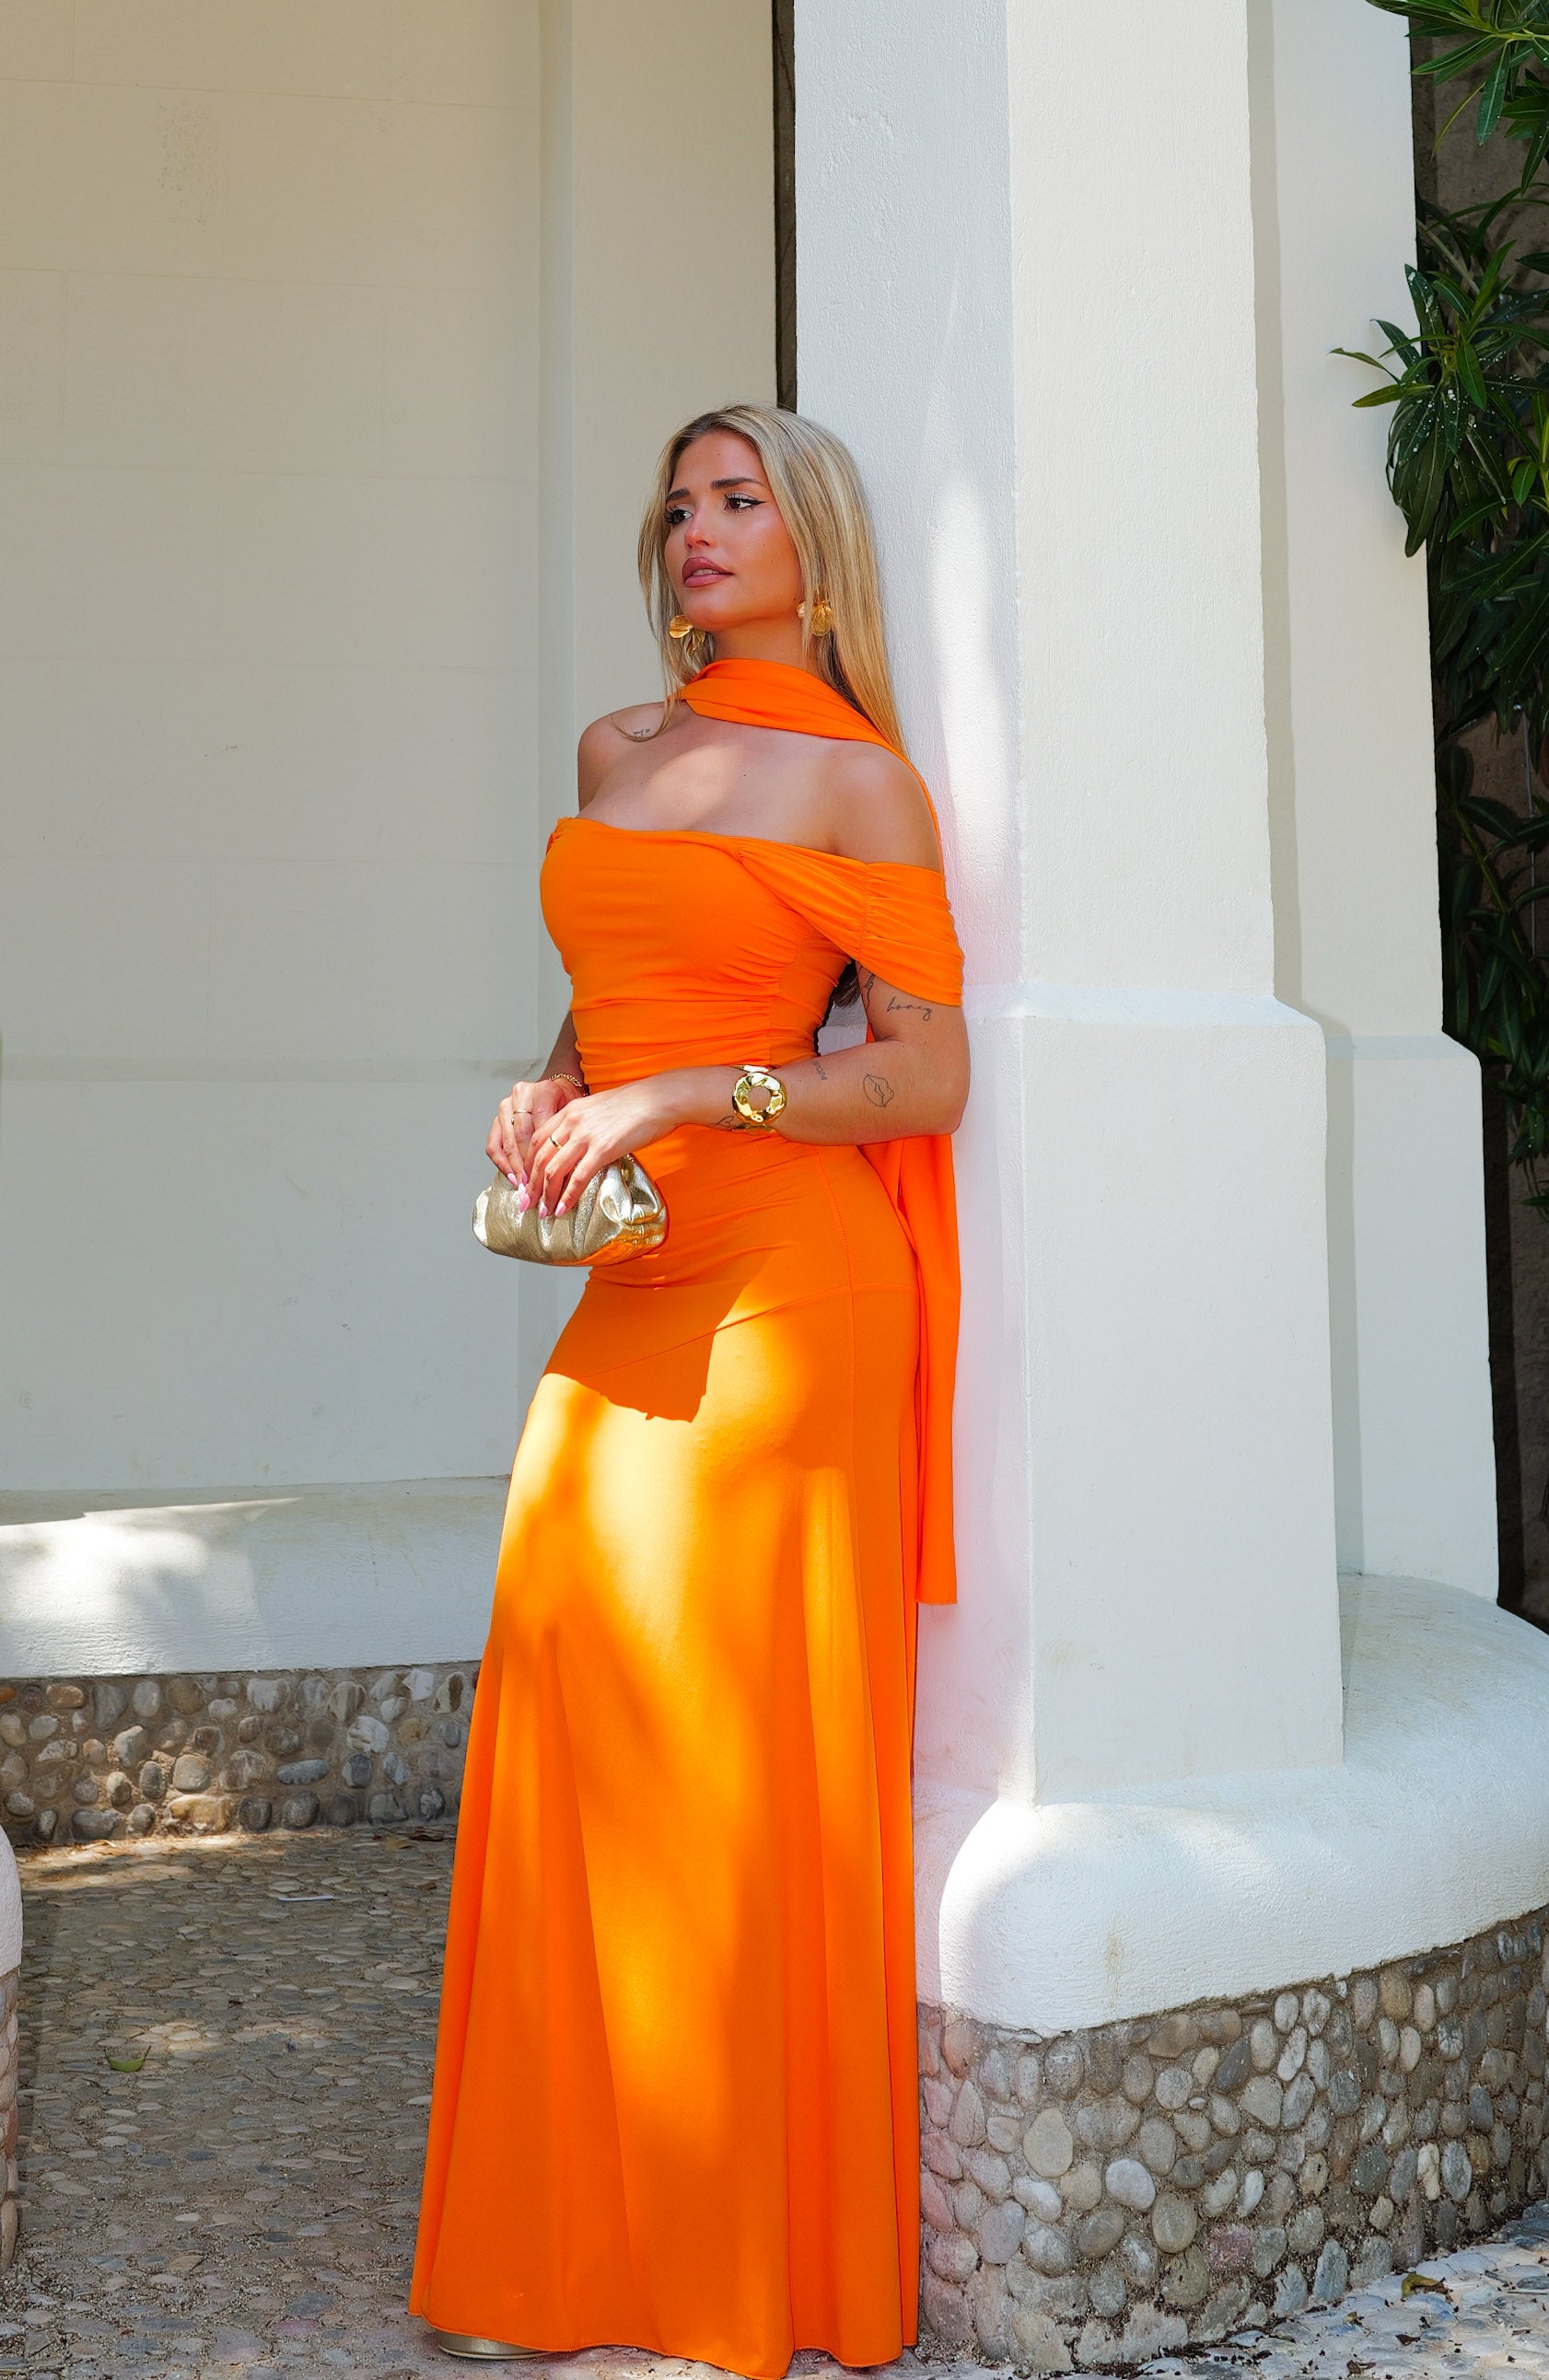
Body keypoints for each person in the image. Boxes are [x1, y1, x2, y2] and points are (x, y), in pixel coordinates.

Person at [409, 404, 968, 2378]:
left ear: (813, 537)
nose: (700, 527)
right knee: (568, 1678)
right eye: (681, 503)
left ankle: (736, 2270)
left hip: (794, 1290)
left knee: (736, 1753)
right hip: (637, 1273)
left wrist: (682, 1090)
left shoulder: (858, 784)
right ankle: (581, 2239)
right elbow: (608, 986)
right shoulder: (616, 750)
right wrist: (557, 1079)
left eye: (741, 500)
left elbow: (919, 1075)